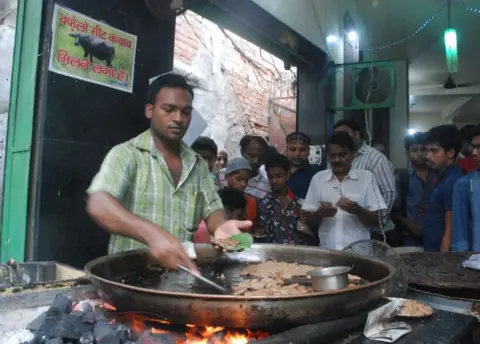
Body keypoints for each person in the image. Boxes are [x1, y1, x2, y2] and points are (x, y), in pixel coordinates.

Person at [86, 73, 250, 272]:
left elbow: (213, 209)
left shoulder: (197, 164)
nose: (178, 119)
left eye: (186, 112)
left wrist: (222, 227)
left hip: (179, 278)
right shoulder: (127, 154)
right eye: (169, 109)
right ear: (150, 110)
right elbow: (99, 204)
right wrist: (153, 235)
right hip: (129, 278)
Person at [302, 131, 386, 251]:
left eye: (342, 155)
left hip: (359, 254)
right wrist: (320, 213)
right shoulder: (318, 179)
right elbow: (309, 221)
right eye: (332, 156)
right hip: (328, 253)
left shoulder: (366, 178)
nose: (337, 160)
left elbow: (377, 219)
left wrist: (357, 210)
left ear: (353, 154)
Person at [333, 120, 396, 240]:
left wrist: (377, 223)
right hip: (347, 230)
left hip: (374, 232)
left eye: (344, 134)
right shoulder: (335, 159)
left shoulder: (375, 158)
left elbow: (389, 193)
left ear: (356, 135)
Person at [423, 125, 464, 252]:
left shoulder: (452, 181)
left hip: (440, 254)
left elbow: (450, 229)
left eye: (434, 151)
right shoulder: (442, 177)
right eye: (427, 150)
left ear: (450, 153)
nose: (428, 156)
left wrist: (443, 260)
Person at [258, 153, 313, 245]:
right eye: (270, 177)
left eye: (279, 176)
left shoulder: (300, 203)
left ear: (288, 174)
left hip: (298, 255)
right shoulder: (264, 204)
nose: (274, 181)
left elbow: (308, 234)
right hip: (274, 256)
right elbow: (265, 235)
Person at [391, 132, 435, 247]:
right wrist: (412, 226)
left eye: (423, 150)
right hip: (409, 239)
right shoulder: (402, 178)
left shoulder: (437, 175)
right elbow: (394, 212)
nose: (420, 154)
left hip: (437, 235)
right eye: (415, 150)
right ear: (407, 153)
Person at [452, 125, 480, 252]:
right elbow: (460, 238)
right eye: (473, 147)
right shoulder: (465, 184)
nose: (474, 152)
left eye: (479, 148)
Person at [219, 135, 270, 200]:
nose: (256, 161)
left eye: (261, 157)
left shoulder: (266, 188)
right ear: (242, 151)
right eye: (252, 156)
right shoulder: (221, 174)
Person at [284, 132, 321, 199]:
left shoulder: (317, 177)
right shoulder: (277, 171)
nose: (297, 153)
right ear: (286, 150)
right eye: (293, 149)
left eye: (302, 149)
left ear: (309, 151)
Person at [224, 157, 257, 224]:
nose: (243, 184)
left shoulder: (251, 202)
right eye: (239, 179)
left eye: (246, 180)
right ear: (227, 176)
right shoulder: (217, 200)